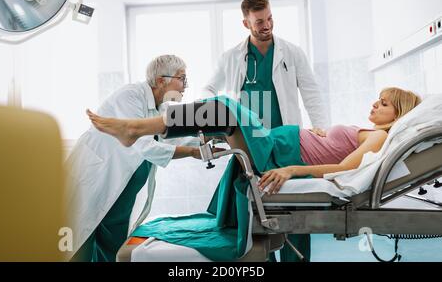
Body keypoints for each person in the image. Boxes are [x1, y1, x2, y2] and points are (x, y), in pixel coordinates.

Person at [85, 87, 421, 261]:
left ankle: (134, 128)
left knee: (223, 108)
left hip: (281, 153)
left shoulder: (379, 136)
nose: (375, 105)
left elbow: (345, 169)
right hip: (281, 142)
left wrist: (291, 169)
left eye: (384, 103)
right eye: (378, 99)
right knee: (220, 109)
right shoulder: (368, 129)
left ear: (399, 113)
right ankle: (136, 128)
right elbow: (338, 152)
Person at [66, 55, 205, 262]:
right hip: (95, 180)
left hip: (122, 190)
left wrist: (207, 141)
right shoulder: (130, 96)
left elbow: (173, 138)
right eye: (182, 78)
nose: (185, 85)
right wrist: (192, 152)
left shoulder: (163, 107)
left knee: (113, 244)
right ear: (161, 81)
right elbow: (143, 145)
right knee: (79, 246)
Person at [202, 0, 328, 134]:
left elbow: (312, 94)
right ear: (246, 24)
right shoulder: (230, 58)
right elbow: (208, 88)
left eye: (269, 18)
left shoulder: (293, 53)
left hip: (285, 135)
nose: (267, 25)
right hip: (249, 138)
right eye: (259, 22)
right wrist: (220, 110)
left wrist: (320, 128)